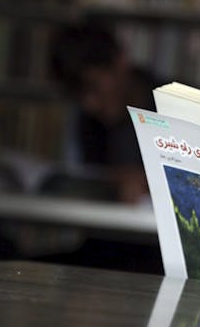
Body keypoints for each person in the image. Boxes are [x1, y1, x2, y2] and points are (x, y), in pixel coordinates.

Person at [49, 22, 159, 204]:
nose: (89, 104)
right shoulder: (85, 121)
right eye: (78, 95)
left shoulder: (176, 107)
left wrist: (149, 183)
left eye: (94, 87)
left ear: (120, 62)